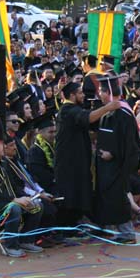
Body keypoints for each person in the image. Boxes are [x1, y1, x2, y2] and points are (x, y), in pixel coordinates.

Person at [54, 81, 120, 227]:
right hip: (68, 162)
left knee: (81, 192)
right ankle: (64, 228)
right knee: (70, 194)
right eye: (80, 93)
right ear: (72, 95)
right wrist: (107, 107)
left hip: (79, 160)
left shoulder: (76, 109)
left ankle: (76, 223)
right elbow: (88, 117)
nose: (83, 95)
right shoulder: (67, 110)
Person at [92, 76, 140, 244]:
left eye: (101, 91)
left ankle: (127, 233)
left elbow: (131, 145)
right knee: (108, 197)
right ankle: (113, 230)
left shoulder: (123, 115)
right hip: (106, 166)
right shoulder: (108, 113)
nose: (99, 94)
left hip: (118, 166)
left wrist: (113, 154)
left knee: (118, 198)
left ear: (109, 92)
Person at [0, 139, 42, 258]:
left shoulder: (3, 165)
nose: (4, 146)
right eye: (1, 144)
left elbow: (15, 186)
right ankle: (11, 245)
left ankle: (26, 240)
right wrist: (15, 200)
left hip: (8, 200)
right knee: (14, 208)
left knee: (37, 204)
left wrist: (25, 197)